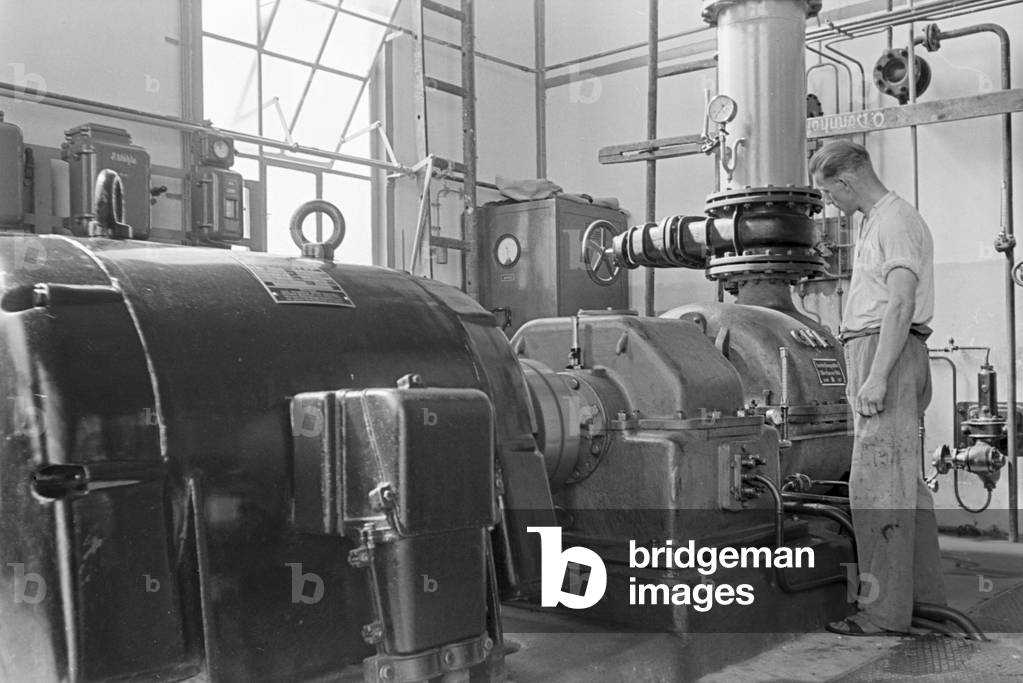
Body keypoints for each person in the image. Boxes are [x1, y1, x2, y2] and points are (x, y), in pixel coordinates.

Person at [809, 140, 946, 636]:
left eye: (829, 194)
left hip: (885, 352)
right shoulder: (877, 222)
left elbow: (900, 304)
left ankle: (882, 614)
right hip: (885, 350)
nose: (830, 205)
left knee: (876, 487)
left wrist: (876, 374)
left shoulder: (893, 221)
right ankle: (923, 603)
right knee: (904, 486)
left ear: (846, 181)